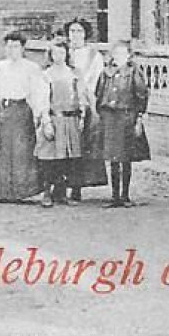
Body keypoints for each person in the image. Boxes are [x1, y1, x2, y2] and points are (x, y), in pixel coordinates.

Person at [0, 30, 46, 202]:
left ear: (22, 48)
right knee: (3, 150)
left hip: (22, 111)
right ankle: (2, 191)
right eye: (9, 46)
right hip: (3, 111)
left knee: (22, 151)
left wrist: (38, 115)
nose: (12, 50)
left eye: (15, 46)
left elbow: (37, 92)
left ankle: (22, 191)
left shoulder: (31, 67)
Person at [96, 39, 150, 208]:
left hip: (126, 117)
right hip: (110, 118)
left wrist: (138, 117)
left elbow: (141, 95)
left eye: (123, 53)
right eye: (116, 53)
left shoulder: (134, 72)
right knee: (113, 158)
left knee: (126, 157)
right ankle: (114, 197)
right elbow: (98, 93)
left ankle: (125, 196)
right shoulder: (106, 72)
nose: (119, 57)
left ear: (128, 56)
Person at [34, 40, 86, 207]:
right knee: (50, 157)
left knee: (69, 157)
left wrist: (82, 117)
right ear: (50, 55)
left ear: (67, 54)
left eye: (62, 53)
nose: (59, 57)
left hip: (71, 119)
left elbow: (81, 96)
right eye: (55, 53)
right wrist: (46, 122)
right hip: (54, 119)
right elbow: (42, 100)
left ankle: (62, 192)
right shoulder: (46, 74)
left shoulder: (74, 73)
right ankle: (47, 193)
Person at [61, 18, 108, 201]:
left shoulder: (93, 55)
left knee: (83, 145)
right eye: (72, 31)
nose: (75, 35)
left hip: (86, 102)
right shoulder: (64, 53)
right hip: (65, 102)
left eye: (79, 31)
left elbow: (97, 79)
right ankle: (62, 184)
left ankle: (78, 185)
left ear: (86, 34)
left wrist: (84, 95)